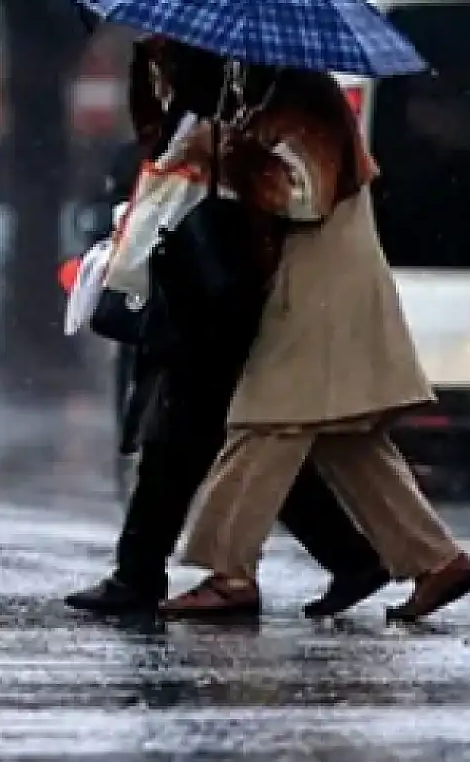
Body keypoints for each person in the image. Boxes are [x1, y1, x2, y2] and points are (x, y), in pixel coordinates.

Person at [66, 39, 389, 618]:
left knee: (189, 436)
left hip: (229, 288)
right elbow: (156, 149)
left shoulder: (287, 96)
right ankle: (347, 556)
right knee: (220, 437)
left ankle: (143, 572)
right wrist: (152, 77)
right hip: (190, 282)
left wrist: (231, 155)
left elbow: (301, 195)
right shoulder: (216, 95)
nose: (163, 58)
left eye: (169, 50)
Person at [157, 64, 470, 622]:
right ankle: (437, 560)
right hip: (322, 279)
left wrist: (225, 152)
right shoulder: (275, 97)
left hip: (320, 285)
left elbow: (304, 197)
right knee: (346, 437)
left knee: (265, 421)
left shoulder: (306, 101)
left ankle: (229, 572)